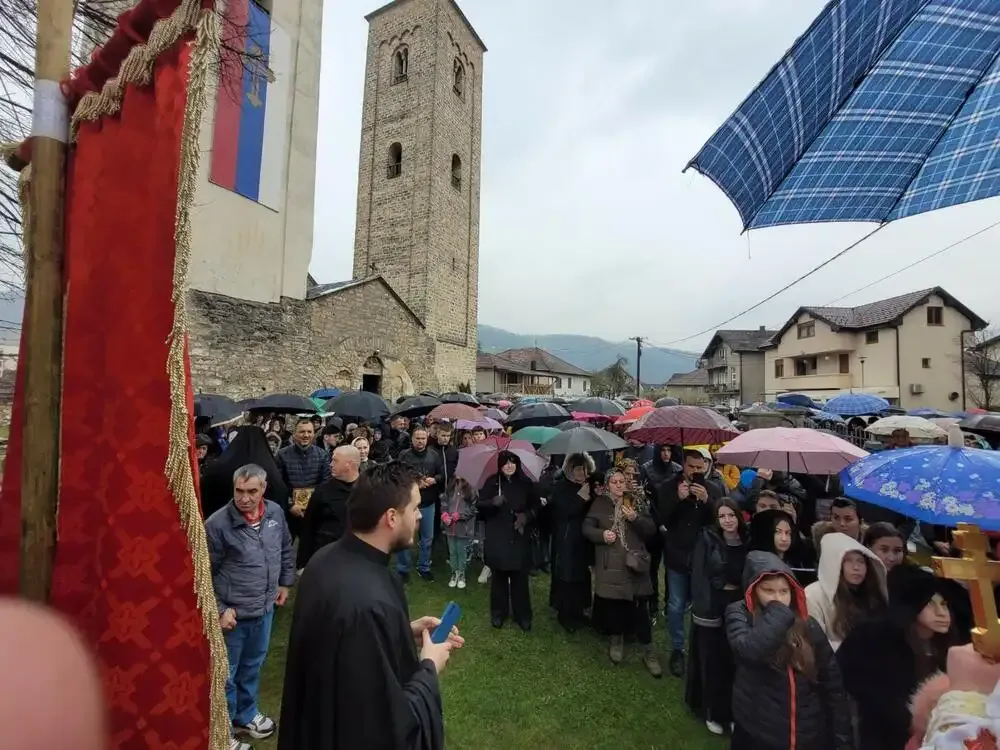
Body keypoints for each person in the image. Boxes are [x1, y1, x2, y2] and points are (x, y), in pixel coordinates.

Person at [278, 462, 464, 750]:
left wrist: (402, 631)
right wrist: (429, 664)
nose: (418, 517)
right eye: (414, 508)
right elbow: (386, 726)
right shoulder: (369, 599)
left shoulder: (325, 559)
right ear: (391, 517)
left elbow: (345, 652)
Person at [206, 463, 295, 747]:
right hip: (233, 615)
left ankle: (246, 715)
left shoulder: (275, 513)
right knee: (226, 674)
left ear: (264, 489)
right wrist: (220, 609)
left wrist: (284, 582)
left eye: (252, 491)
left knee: (253, 665)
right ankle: (223, 732)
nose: (245, 498)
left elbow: (284, 547)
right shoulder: (217, 525)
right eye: (239, 491)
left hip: (264, 609)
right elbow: (202, 572)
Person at [726, 551, 853, 750]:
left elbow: (833, 685)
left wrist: (843, 740)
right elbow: (750, 650)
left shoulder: (807, 625)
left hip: (808, 735)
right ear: (753, 591)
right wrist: (779, 612)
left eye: (784, 591)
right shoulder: (740, 615)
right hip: (759, 734)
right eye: (768, 590)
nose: (777, 598)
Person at [838, 565, 964, 750]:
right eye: (930, 603)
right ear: (911, 605)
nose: (941, 613)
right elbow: (878, 702)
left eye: (944, 604)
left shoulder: (951, 647)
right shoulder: (875, 640)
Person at [584, 467, 662, 677]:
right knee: (615, 605)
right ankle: (616, 640)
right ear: (607, 485)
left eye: (621, 481)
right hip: (611, 563)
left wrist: (636, 518)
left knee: (640, 608)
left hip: (633, 562)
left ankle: (648, 650)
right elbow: (587, 527)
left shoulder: (635, 501)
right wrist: (602, 535)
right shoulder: (600, 504)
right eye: (614, 482)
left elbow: (651, 530)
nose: (619, 485)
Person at [687, 497, 749, 735]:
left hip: (739, 606)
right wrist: (704, 612)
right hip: (713, 606)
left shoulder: (747, 540)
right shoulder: (707, 539)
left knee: (733, 662)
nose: (727, 520)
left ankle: (730, 712)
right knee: (712, 662)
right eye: (722, 516)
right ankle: (711, 711)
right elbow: (700, 576)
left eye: (731, 515)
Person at [657, 449, 721, 678]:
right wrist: (678, 499)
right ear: (683, 465)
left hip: (702, 557)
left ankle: (699, 647)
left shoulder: (712, 488)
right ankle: (678, 648)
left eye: (699, 467)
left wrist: (707, 501)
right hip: (677, 554)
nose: (695, 472)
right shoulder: (669, 486)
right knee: (675, 604)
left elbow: (720, 520)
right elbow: (661, 517)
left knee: (700, 604)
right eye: (691, 467)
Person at [477, 451, 539, 631]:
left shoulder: (526, 483)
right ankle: (499, 613)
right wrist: (491, 503)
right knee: (499, 579)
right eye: (506, 463)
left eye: (513, 462)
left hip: (519, 536)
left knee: (520, 579)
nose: (509, 466)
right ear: (500, 465)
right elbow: (479, 506)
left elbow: (536, 507)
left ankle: (523, 615)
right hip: (498, 535)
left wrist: (526, 517)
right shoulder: (492, 482)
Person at [805, 532, 887, 651]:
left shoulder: (872, 594)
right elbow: (814, 643)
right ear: (833, 563)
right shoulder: (813, 595)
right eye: (848, 560)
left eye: (861, 561)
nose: (856, 567)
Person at [547, 452, 596, 633]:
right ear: (570, 470)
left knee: (582, 575)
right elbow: (563, 511)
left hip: (584, 539)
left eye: (584, 469)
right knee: (566, 575)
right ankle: (564, 614)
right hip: (566, 538)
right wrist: (580, 498)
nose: (581, 473)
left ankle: (579, 611)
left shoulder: (588, 486)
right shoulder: (561, 487)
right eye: (577, 469)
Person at [200, 426, 289, 521]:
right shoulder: (269, 467)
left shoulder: (221, 466)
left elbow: (208, 489)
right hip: (262, 524)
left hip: (225, 522)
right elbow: (281, 491)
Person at [296, 445, 361, 570]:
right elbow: (308, 528)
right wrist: (302, 563)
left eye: (335, 460)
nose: (331, 464)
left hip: (359, 559)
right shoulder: (322, 491)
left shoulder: (369, 490)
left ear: (349, 464)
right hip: (326, 558)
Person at [397, 425, 444, 582]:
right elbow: (397, 475)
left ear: (427, 439)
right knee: (405, 537)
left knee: (427, 538)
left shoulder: (434, 455)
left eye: (423, 438)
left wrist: (435, 479)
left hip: (428, 502)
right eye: (417, 438)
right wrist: (415, 482)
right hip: (409, 504)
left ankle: (424, 567)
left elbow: (442, 473)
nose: (420, 441)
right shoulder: (404, 455)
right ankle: (403, 568)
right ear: (412, 439)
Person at [442, 477, 477, 589]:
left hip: (463, 528)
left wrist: (461, 515)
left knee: (461, 551)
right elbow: (444, 503)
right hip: (449, 527)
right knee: (452, 551)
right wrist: (445, 515)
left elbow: (474, 509)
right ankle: (454, 573)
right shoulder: (450, 488)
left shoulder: (471, 489)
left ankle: (461, 574)